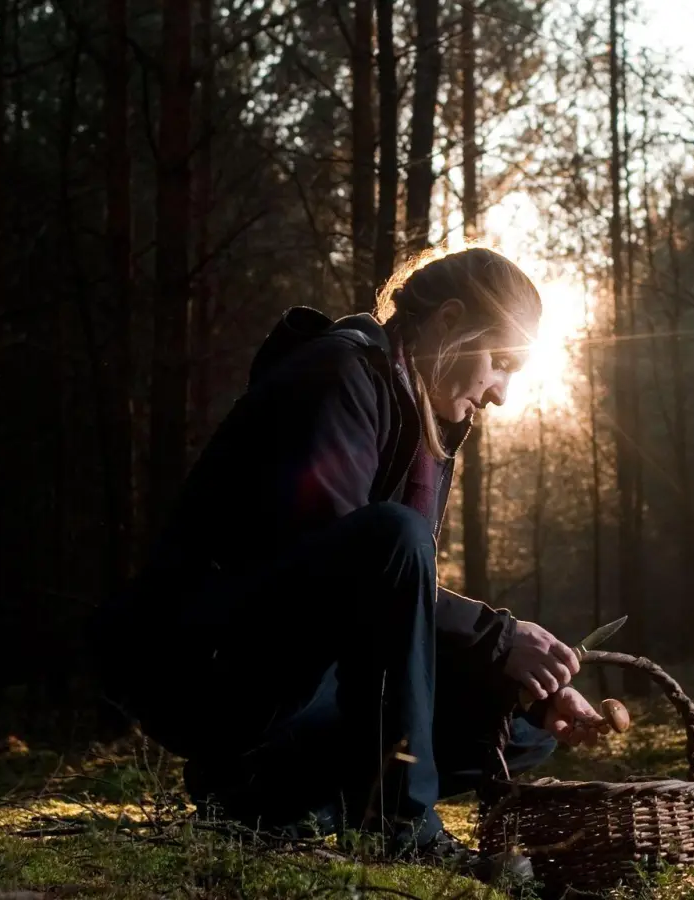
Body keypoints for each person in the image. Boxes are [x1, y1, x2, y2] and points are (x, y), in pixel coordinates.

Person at [93, 248, 604, 872]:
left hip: (311, 680)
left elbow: (393, 617)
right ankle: (399, 832)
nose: (501, 393)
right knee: (395, 534)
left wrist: (517, 682)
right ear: (449, 321)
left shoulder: (421, 420)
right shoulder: (338, 375)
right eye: (500, 363)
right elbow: (353, 564)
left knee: (519, 729)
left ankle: (274, 804)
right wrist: (495, 637)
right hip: (212, 672)